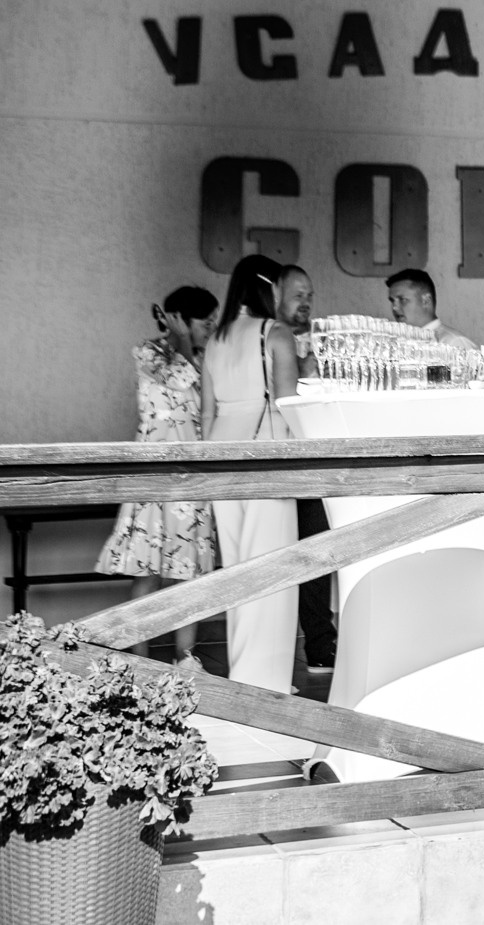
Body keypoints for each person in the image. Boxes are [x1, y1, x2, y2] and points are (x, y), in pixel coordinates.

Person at [97, 285, 221, 669]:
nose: (210, 328)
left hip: (192, 471)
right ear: (181, 320)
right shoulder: (148, 351)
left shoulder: (207, 358)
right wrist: (181, 337)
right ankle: (140, 659)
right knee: (147, 566)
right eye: (205, 321)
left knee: (191, 570)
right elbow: (177, 378)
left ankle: (186, 658)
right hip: (154, 470)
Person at [200, 253, 302, 694]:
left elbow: (206, 413)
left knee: (238, 568)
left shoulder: (216, 339)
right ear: (268, 288)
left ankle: (241, 670)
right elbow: (287, 402)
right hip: (267, 454)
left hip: (223, 453)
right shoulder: (276, 333)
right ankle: (264, 679)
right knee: (273, 567)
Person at [275, 263, 333, 674]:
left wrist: (316, 368)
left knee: (316, 552)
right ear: (275, 294)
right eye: (298, 294)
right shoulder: (265, 338)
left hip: (312, 460)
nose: (306, 301)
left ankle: (320, 644)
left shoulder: (319, 342)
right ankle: (270, 654)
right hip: (274, 462)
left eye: (309, 294)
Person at [386, 268, 476, 350]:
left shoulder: (454, 343)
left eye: (403, 300)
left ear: (426, 300)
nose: (394, 307)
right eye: (392, 301)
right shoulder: (396, 343)